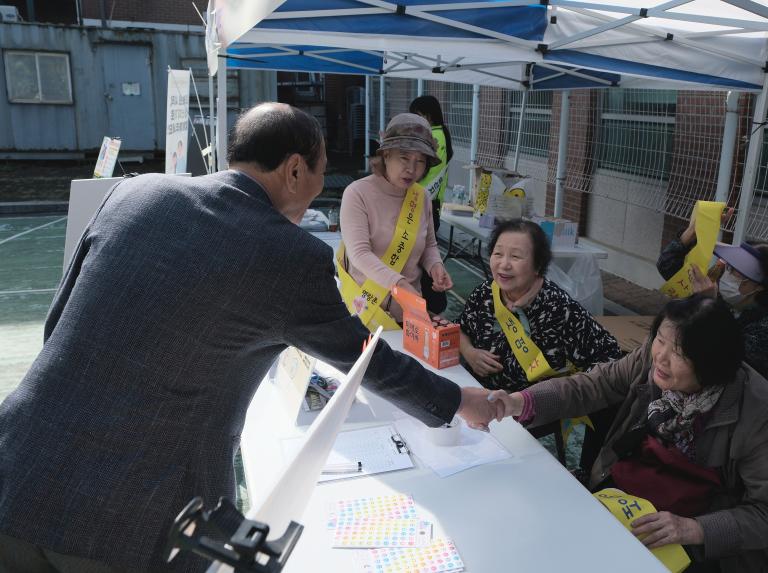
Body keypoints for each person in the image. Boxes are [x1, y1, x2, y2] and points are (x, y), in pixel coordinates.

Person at [0, 103, 501, 573]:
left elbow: (56, 323)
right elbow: (367, 361)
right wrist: (459, 400)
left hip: (17, 469)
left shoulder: (133, 193)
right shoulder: (289, 255)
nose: (319, 188)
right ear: (295, 170)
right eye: (321, 172)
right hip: (128, 520)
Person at [491, 294, 768, 572]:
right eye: (660, 340)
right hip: (635, 499)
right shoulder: (651, 364)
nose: (661, 357)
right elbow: (590, 386)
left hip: (705, 534)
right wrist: (516, 402)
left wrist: (694, 529)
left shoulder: (762, 414)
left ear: (712, 361)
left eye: (679, 352)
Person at [458, 218, 621, 392]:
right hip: (480, 398)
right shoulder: (485, 293)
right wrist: (469, 353)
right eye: (498, 254)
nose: (504, 264)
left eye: (515, 256)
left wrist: (564, 392)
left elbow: (610, 357)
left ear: (538, 265)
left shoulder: (559, 307)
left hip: (532, 412)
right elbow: (459, 328)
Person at [657, 208, 768, 385]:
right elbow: (668, 266)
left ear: (756, 287)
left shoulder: (765, 330)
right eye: (728, 267)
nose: (725, 273)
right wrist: (692, 232)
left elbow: (722, 372)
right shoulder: (728, 303)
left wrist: (708, 308)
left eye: (734, 271)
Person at [339, 113, 453, 326]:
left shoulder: (422, 197)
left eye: (420, 161)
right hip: (366, 312)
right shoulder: (357, 193)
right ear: (386, 154)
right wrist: (398, 283)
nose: (412, 169)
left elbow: (429, 245)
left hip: (408, 314)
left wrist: (435, 266)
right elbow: (359, 254)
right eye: (404, 158)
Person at [409, 95, 454, 314]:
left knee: (422, 255)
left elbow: (429, 174)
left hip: (422, 204)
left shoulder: (434, 136)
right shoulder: (438, 134)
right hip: (427, 204)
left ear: (427, 114)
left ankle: (431, 303)